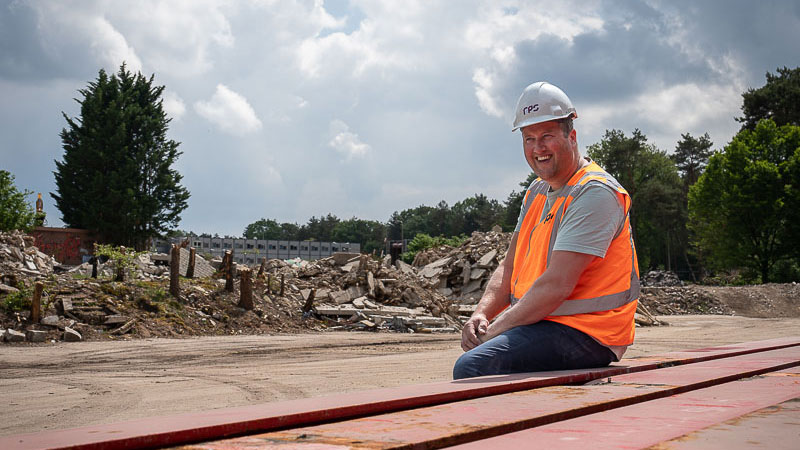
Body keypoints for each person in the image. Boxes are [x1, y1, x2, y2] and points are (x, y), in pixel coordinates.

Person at [453, 81, 639, 379]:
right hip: (545, 322)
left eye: (547, 136)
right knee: (477, 361)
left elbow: (556, 285)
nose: (538, 148)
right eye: (529, 139)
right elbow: (508, 267)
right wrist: (481, 315)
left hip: (589, 331)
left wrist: (493, 332)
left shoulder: (594, 193)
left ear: (572, 136)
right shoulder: (537, 193)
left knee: (475, 366)